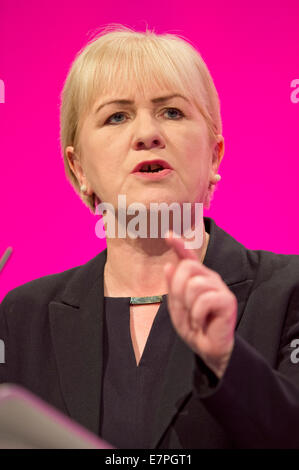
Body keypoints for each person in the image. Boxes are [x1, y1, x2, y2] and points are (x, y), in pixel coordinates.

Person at [1, 24, 299, 449]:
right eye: (116, 116)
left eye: (172, 112)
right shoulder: (21, 318)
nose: (147, 134)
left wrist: (226, 361)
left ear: (214, 154)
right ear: (79, 167)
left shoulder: (290, 291)